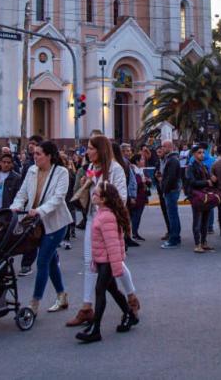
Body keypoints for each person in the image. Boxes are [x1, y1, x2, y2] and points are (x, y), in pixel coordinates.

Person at [66, 135, 140, 327]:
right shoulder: (92, 169)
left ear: (101, 150)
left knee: (116, 261)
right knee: (89, 261)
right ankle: (86, 307)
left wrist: (105, 207)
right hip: (92, 219)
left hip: (108, 221)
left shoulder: (115, 169)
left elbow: (121, 197)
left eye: (91, 148)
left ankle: (131, 297)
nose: (87, 152)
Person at [12, 140, 72, 314]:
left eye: (38, 154)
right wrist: (14, 207)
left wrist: (39, 210)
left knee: (43, 260)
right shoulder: (31, 171)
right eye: (34, 153)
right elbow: (22, 193)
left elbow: (58, 198)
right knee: (51, 261)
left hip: (56, 224)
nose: (34, 156)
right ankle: (62, 296)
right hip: (36, 224)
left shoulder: (61, 173)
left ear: (49, 156)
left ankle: (34, 303)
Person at [75, 182, 139, 343]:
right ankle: (129, 314)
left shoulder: (107, 217)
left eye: (96, 194)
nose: (93, 196)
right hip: (102, 259)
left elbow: (113, 246)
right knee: (112, 290)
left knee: (100, 290)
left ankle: (95, 329)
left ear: (103, 199)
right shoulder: (102, 213)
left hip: (107, 261)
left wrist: (115, 267)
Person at [186, 143, 217, 252]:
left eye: (203, 152)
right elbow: (192, 182)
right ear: (194, 154)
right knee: (197, 221)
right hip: (197, 197)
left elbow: (208, 179)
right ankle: (197, 244)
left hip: (206, 196)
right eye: (199, 153)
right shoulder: (191, 167)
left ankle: (204, 242)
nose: (202, 154)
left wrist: (211, 178)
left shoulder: (203, 166)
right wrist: (207, 182)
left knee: (205, 220)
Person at [158, 141, 183, 249]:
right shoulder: (170, 159)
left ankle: (174, 239)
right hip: (172, 190)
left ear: (169, 147)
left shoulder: (172, 160)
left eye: (163, 146)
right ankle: (175, 237)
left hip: (171, 190)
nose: (162, 148)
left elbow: (171, 177)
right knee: (173, 214)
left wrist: (165, 189)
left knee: (172, 215)